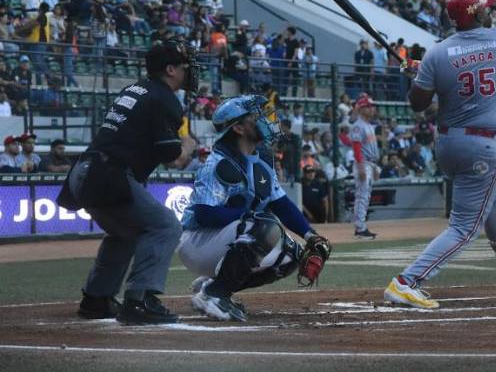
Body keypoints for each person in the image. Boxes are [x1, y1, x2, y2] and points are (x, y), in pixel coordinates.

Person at [384, 0, 496, 309]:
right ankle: (406, 282)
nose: (490, 10)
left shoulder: (437, 53)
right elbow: (475, 68)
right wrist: (427, 72)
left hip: (449, 144)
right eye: (486, 7)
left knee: (495, 209)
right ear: (478, 13)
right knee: (464, 228)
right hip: (482, 145)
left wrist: (416, 74)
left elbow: (418, 102)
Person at [55, 40, 199, 325]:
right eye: (185, 67)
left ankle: (97, 299)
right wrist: (187, 146)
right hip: (108, 175)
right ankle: (140, 299)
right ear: (170, 70)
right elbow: (173, 157)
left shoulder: (135, 88)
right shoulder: (164, 97)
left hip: (86, 171)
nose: (190, 72)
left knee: (126, 232)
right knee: (166, 225)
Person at [178, 95, 331, 321]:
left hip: (229, 238)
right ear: (238, 127)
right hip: (197, 241)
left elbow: (280, 203)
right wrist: (251, 217)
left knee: (292, 256)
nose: (265, 118)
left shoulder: (261, 159)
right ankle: (213, 294)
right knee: (264, 225)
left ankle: (218, 285)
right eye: (256, 116)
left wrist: (311, 236)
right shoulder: (217, 164)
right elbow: (204, 214)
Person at [350, 93, 379, 239]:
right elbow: (356, 147)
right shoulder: (358, 126)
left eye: (372, 106)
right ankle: (360, 228)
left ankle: (361, 226)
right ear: (361, 109)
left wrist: (375, 167)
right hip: (363, 163)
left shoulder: (368, 125)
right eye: (368, 106)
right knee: (362, 196)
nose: (371, 108)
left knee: (365, 196)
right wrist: (361, 166)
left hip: (370, 163)